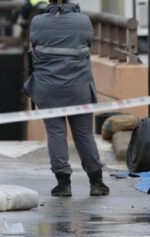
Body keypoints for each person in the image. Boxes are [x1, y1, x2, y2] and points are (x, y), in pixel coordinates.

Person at [23, 0, 109, 197]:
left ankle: (63, 184)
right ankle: (97, 182)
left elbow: (34, 44)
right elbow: (88, 42)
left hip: (48, 89)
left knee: (56, 133)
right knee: (84, 134)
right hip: (79, 89)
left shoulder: (37, 22)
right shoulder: (83, 21)